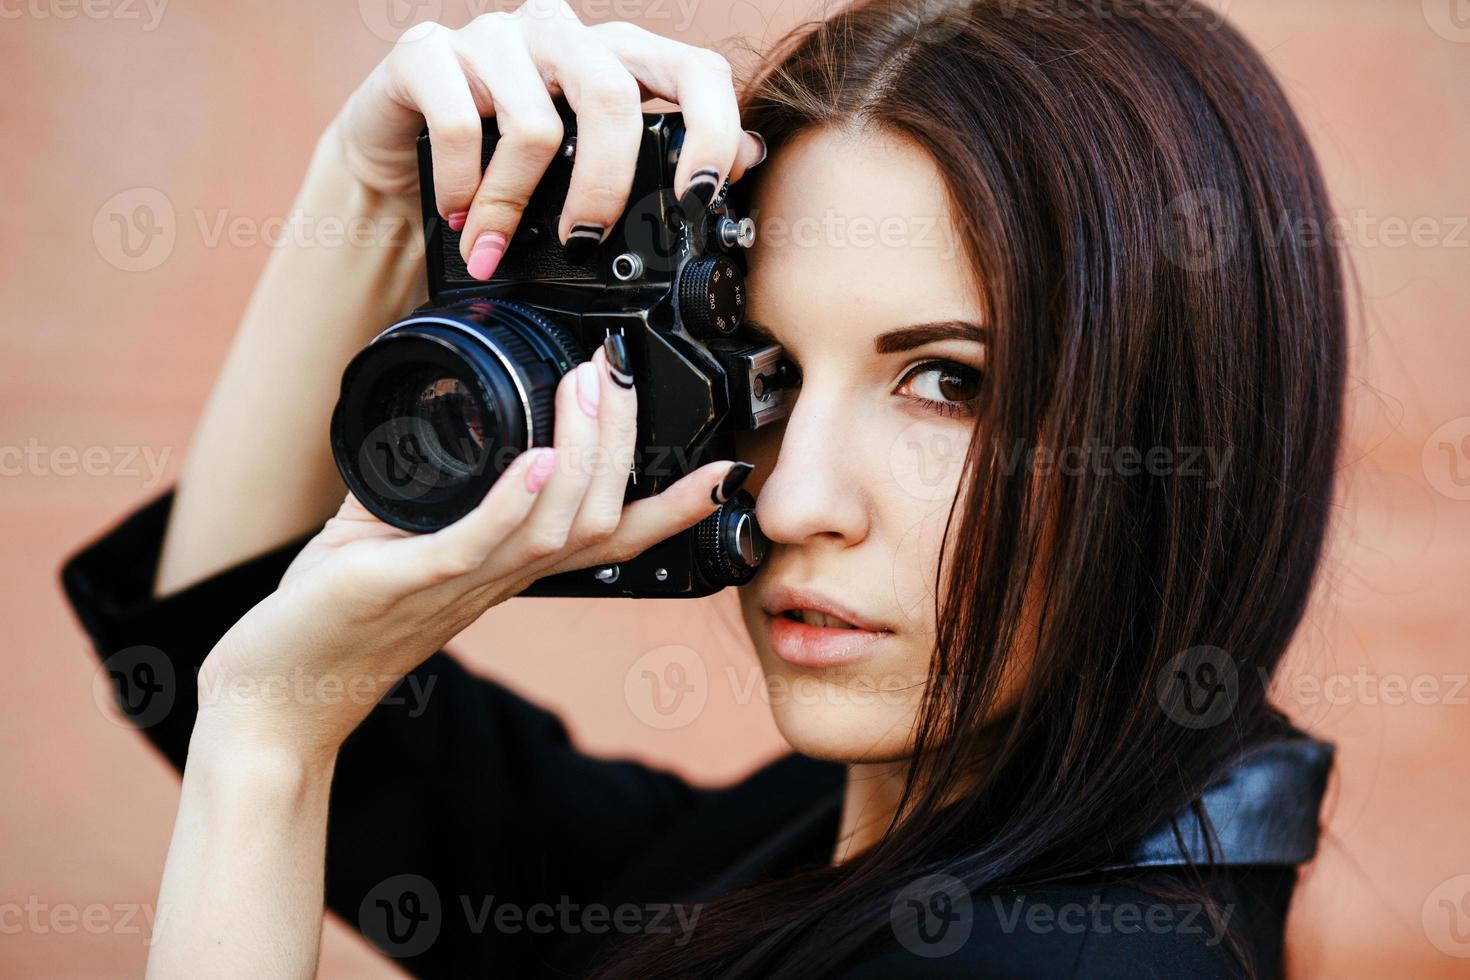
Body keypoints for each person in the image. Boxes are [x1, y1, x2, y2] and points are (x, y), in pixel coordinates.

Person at [61, 0, 1345, 976]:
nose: (791, 504)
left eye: (947, 382)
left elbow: (267, 712)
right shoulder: (865, 830)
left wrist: (269, 747)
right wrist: (368, 181)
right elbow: (228, 638)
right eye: (771, 372)